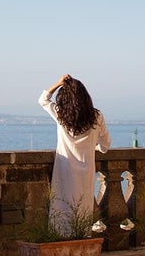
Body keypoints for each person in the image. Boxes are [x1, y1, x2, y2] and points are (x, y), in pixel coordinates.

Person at [38, 74, 111, 234]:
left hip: (64, 170)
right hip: (86, 170)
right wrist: (95, 147)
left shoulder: (61, 114)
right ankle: (81, 242)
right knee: (83, 207)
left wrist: (58, 83)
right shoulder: (96, 116)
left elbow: (43, 100)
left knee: (62, 206)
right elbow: (106, 145)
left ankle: (61, 242)